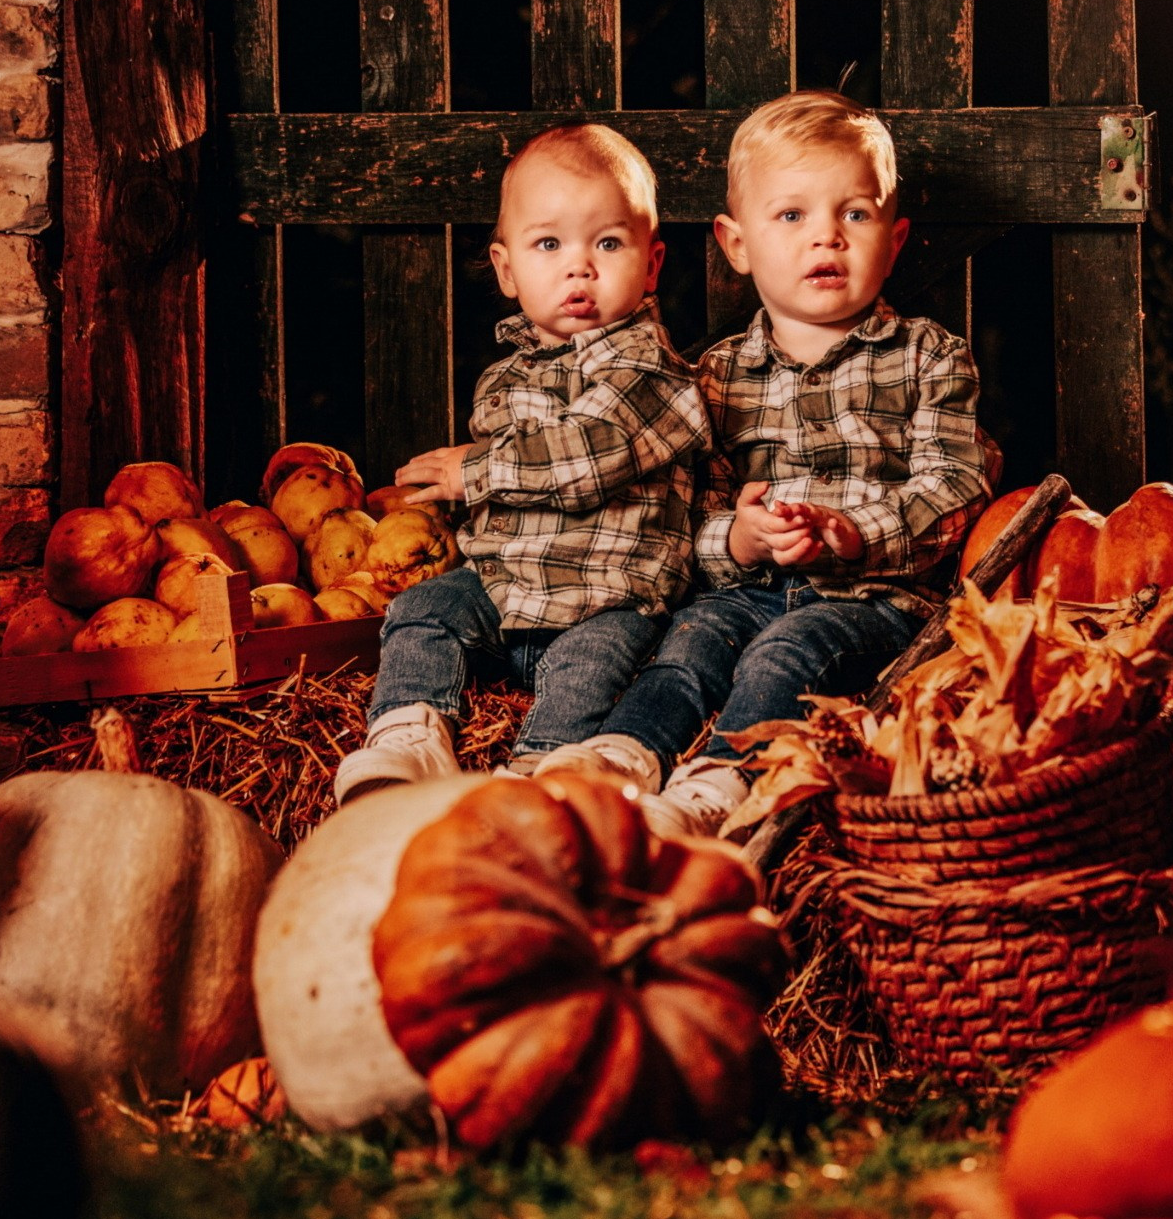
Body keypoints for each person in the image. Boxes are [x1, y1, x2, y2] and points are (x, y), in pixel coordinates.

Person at [537, 90, 995, 835]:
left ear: (895, 237)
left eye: (854, 214)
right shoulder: (710, 377)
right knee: (685, 647)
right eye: (792, 216)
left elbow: (954, 485)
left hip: (875, 601)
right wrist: (740, 540)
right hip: (746, 590)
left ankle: (722, 780)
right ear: (735, 243)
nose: (828, 239)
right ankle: (618, 756)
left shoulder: (928, 356)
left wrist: (850, 532)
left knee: (786, 652)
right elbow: (686, 517)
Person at [333, 124, 710, 803]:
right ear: (507, 270)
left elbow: (592, 450)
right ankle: (408, 732)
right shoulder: (503, 379)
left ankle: (542, 770)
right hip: (503, 591)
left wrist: (472, 471)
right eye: (548, 244)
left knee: (587, 669)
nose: (579, 266)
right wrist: (443, 501)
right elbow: (503, 494)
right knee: (422, 610)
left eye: (608, 243)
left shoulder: (650, 371)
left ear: (651, 265)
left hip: (606, 599)